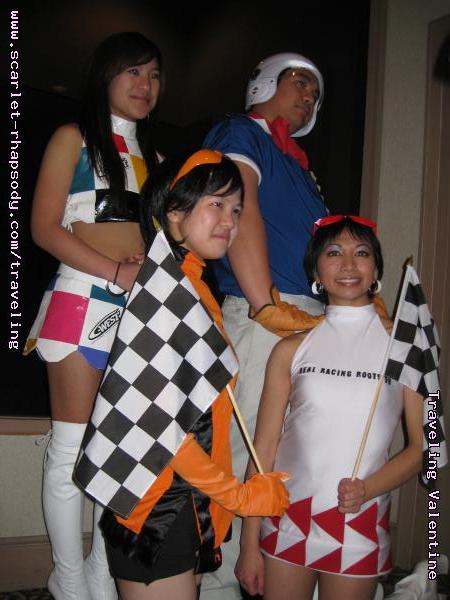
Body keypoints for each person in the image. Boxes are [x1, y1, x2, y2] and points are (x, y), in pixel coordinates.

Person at [80, 150, 290, 600]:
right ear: (174, 210)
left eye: (237, 210)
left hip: (188, 504)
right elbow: (158, 425)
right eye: (216, 204)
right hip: (156, 507)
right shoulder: (166, 291)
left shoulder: (192, 286)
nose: (230, 221)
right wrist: (238, 496)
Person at [23, 32, 162, 600]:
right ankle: (69, 577)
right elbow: (43, 228)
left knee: (119, 452)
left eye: (154, 75)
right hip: (80, 301)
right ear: (106, 75)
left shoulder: (154, 160)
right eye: (133, 71)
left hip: (137, 313)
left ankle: (104, 575)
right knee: (70, 449)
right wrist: (115, 271)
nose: (145, 85)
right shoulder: (72, 138)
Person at [236, 216, 424, 600]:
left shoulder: (408, 349)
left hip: (360, 524)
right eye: (334, 253)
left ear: (376, 270)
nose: (348, 264)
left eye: (362, 253)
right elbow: (263, 450)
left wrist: (368, 489)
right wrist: (248, 544)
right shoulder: (290, 349)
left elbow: (424, 448)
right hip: (287, 520)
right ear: (316, 273)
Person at [201, 52, 327, 598]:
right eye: (300, 81)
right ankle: (218, 583)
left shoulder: (298, 165)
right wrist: (263, 304)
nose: (309, 96)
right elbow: (241, 208)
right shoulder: (243, 131)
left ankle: (285, 573)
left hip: (310, 316)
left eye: (315, 92)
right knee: (247, 449)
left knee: (295, 454)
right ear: (266, 81)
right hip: (265, 313)